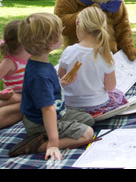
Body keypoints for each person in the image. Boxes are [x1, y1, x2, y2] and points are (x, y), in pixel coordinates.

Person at [10, 12, 94, 161]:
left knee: (88, 118)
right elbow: (47, 109)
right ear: (50, 42)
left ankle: (43, 137)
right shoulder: (40, 74)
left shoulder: (39, 61)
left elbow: (43, 91)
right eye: (60, 34)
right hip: (40, 121)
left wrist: (61, 83)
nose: (62, 36)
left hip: (54, 113)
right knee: (87, 133)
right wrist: (54, 143)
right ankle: (40, 145)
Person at [58, 7, 127, 116]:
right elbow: (110, 87)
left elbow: (61, 78)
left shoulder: (69, 51)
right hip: (97, 105)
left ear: (78, 24)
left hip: (70, 105)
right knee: (118, 94)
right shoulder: (105, 54)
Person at [0, 20, 29, 136]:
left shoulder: (31, 55)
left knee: (25, 106)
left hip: (23, 97)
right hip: (6, 98)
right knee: (21, 101)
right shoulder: (9, 62)